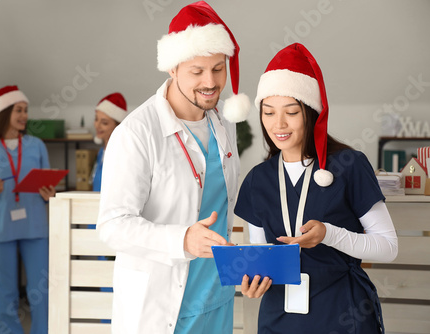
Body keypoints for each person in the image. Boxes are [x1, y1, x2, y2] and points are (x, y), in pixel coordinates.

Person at [96, 1, 251, 333]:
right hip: (162, 302)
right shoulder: (137, 133)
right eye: (197, 71)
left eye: (219, 68)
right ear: (172, 68)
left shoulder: (225, 121)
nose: (210, 82)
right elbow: (112, 225)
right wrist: (183, 240)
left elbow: (222, 206)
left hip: (217, 293)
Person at [235, 43, 398, 333]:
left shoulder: (349, 165)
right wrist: (253, 281)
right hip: (278, 316)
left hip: (342, 311)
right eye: (268, 112)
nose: (279, 124)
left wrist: (329, 234)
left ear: (311, 113)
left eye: (291, 112)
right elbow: (261, 257)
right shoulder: (257, 180)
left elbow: (388, 247)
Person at [0, 85, 55, 334]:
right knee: (4, 289)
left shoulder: (36, 145)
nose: (24, 116)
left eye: (26, 110)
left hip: (35, 225)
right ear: (4, 113)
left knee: (41, 289)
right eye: (18, 110)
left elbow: (47, 182)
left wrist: (49, 194)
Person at [91, 92, 128, 192]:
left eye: (104, 123)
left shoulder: (122, 155)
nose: (97, 125)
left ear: (118, 126)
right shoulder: (101, 153)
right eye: (96, 119)